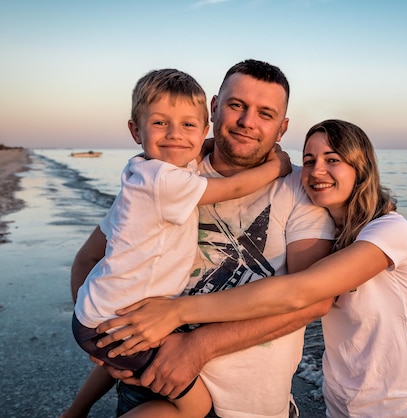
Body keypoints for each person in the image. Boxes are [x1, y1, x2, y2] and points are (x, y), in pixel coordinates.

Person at [99, 119, 407, 417]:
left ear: (361, 167)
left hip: (398, 405)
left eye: (332, 160)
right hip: (340, 401)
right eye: (309, 161)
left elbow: (301, 290)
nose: (316, 171)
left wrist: (177, 312)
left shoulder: (391, 232)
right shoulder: (338, 238)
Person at [68, 60, 336, 418]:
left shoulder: (300, 188)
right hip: (149, 387)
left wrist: (197, 346)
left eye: (265, 113)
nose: (247, 121)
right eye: (237, 105)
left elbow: (314, 300)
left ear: (283, 127)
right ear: (214, 107)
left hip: (251, 405)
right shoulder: (166, 170)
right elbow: (88, 259)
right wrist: (103, 338)